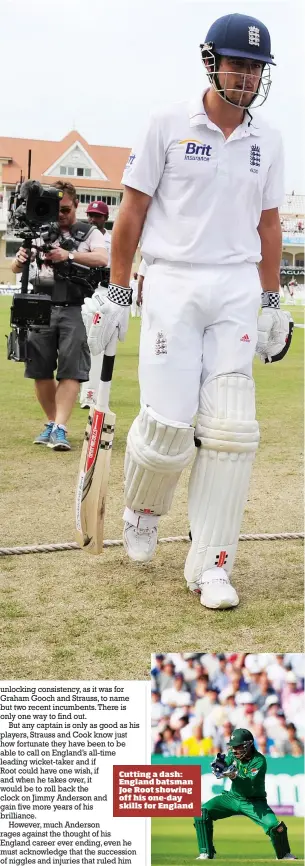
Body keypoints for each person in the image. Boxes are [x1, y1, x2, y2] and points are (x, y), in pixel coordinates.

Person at [87, 12, 293, 608]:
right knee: (170, 423)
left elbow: (270, 224)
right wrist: (120, 291)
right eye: (238, 63)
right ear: (211, 62)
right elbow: (131, 212)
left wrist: (270, 296)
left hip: (233, 286)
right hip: (173, 281)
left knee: (230, 430)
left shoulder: (269, 140)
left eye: (257, 67)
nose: (248, 76)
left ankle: (213, 566)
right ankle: (143, 510)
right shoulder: (167, 123)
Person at [12, 181, 108, 450]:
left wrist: (68, 255)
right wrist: (20, 259)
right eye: (57, 209)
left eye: (66, 209)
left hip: (73, 307)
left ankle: (61, 427)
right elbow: (15, 268)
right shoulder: (39, 228)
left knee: (71, 368)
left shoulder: (88, 233)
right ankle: (52, 423)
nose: (61, 214)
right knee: (39, 369)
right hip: (39, 304)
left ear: (76, 205)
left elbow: (101, 259)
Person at [194, 728, 297, 860]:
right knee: (202, 812)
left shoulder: (259, 760)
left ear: (249, 745)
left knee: (275, 827)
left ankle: (284, 854)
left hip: (253, 802)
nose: (235, 750)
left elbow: (249, 785)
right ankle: (206, 853)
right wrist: (220, 765)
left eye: (238, 747)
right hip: (232, 797)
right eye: (233, 747)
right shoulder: (233, 754)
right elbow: (225, 762)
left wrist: (233, 775)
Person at [79, 200, 111, 409]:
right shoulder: (80, 236)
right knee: (79, 344)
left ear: (105, 218)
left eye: (97, 215)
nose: (92, 219)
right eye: (90, 214)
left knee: (96, 343)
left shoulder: (113, 240)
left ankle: (91, 394)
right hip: (83, 293)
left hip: (104, 292)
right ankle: (77, 389)